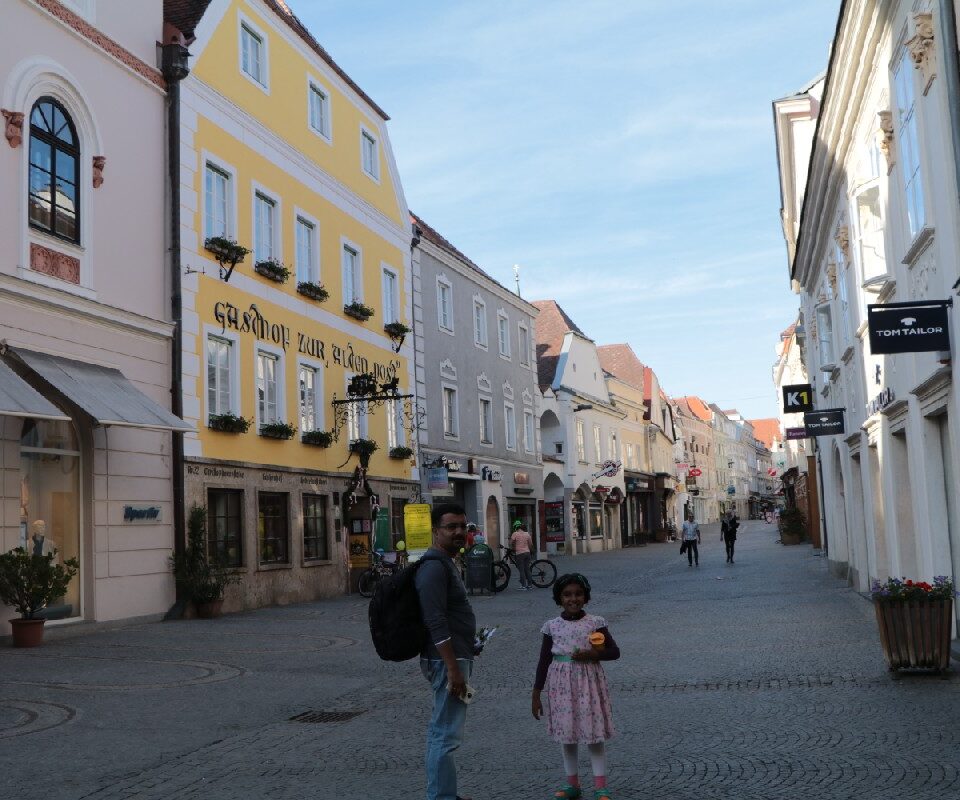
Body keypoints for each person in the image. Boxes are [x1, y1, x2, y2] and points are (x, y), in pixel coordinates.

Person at [532, 573, 619, 800]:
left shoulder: (595, 623)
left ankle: (601, 787)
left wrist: (593, 654)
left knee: (594, 734)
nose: (573, 599)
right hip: (562, 687)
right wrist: (536, 693)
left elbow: (614, 652)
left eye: (578, 594)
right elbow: (543, 661)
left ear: (586, 597)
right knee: (567, 735)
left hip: (589, 684)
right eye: (567, 595)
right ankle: (573, 784)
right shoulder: (551, 627)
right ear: (559, 598)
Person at [415, 503, 477, 800]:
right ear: (435, 531)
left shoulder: (447, 562)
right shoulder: (433, 568)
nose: (458, 532)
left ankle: (446, 793)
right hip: (446, 662)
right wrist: (453, 668)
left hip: (455, 656)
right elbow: (435, 621)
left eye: (462, 526)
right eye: (451, 527)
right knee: (445, 735)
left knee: (443, 731)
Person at [509, 519, 535, 590]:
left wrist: (513, 547)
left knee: (521, 570)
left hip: (520, 554)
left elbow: (511, 542)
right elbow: (531, 544)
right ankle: (530, 585)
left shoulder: (515, 534)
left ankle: (523, 586)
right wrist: (531, 551)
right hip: (527, 553)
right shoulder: (527, 534)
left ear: (515, 527)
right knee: (527, 569)